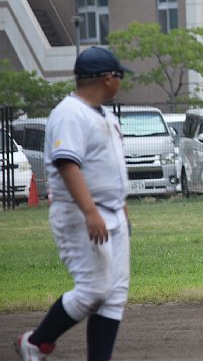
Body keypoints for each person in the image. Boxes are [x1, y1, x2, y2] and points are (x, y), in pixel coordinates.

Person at [16, 46, 132, 361]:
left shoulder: (104, 114)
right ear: (107, 78)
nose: (121, 82)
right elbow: (68, 164)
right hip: (81, 212)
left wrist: (121, 208)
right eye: (119, 76)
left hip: (111, 212)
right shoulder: (69, 113)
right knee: (93, 289)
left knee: (114, 293)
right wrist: (90, 211)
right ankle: (36, 342)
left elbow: (109, 168)